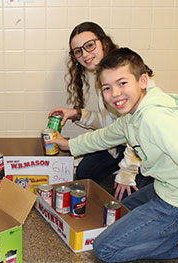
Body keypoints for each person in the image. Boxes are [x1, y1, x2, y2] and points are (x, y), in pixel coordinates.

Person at [53, 48, 178, 263]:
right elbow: (106, 136)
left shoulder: (155, 119)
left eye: (122, 83)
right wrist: (69, 145)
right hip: (166, 188)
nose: (115, 94)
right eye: (107, 88)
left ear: (143, 81)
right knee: (119, 210)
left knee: (105, 249)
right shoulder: (134, 113)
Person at [50, 22, 153, 201]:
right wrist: (77, 114)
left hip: (144, 147)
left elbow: (138, 131)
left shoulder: (125, 70)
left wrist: (127, 172)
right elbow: (110, 124)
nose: (85, 54)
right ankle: (122, 166)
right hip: (120, 142)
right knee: (84, 172)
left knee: (129, 199)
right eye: (78, 51)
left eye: (89, 45)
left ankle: (146, 176)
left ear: (103, 43)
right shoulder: (103, 77)